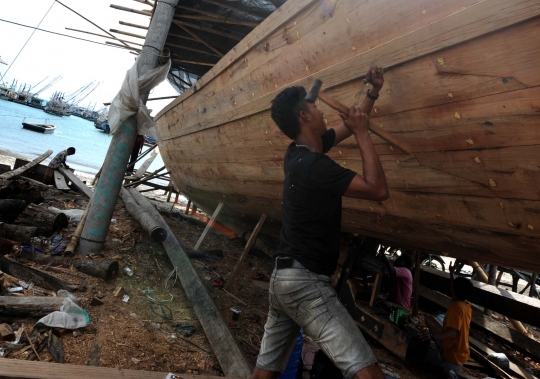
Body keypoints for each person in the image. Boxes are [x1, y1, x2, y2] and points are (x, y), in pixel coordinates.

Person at [251, 67, 389, 379]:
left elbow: (347, 127)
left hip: (282, 281)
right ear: (304, 115)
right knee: (366, 372)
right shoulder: (316, 167)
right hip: (306, 285)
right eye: (314, 106)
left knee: (265, 373)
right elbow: (378, 190)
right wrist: (365, 132)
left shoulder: (296, 155)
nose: (321, 108)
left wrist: (372, 92)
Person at [420, 263, 474, 378]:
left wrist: (432, 335)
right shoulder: (466, 305)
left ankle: (443, 362)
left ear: (453, 291)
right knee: (429, 319)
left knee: (420, 353)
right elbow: (457, 288)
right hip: (460, 355)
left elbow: (452, 333)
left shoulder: (456, 307)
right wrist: (451, 273)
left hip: (451, 358)